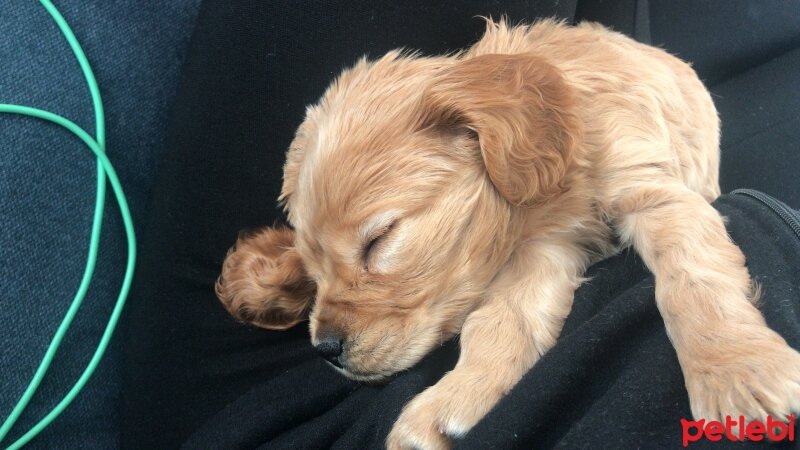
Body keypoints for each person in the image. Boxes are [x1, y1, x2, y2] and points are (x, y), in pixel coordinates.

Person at [120, 1, 800, 448]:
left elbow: (661, 219)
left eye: (377, 242)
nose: (327, 330)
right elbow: (531, 270)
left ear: (494, 140)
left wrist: (722, 346)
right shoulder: (477, 177)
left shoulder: (545, 144)